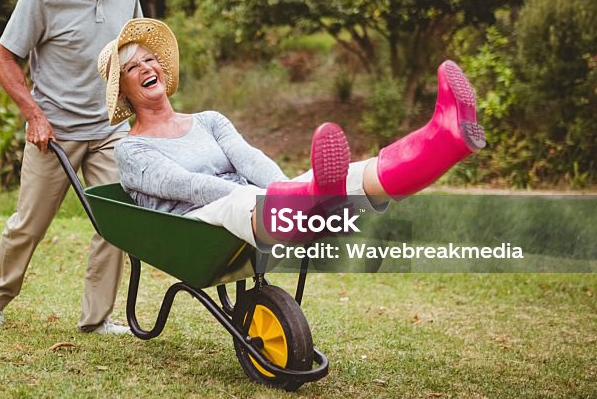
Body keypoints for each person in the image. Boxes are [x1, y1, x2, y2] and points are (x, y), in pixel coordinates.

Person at [96, 18, 487, 248]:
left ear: (163, 70)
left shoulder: (209, 119)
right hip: (199, 228)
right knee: (242, 202)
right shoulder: (132, 150)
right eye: (133, 68)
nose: (148, 68)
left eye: (151, 60)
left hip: (262, 210)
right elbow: (189, 187)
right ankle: (301, 204)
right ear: (124, 90)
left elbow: (249, 158)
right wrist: (270, 199)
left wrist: (287, 189)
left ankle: (444, 139)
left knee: (353, 174)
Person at [0, 0, 142, 334]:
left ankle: (96, 318)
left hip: (109, 129)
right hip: (55, 132)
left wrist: (143, 113)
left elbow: (136, 54)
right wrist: (34, 114)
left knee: (115, 223)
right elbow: (3, 58)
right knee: (29, 224)